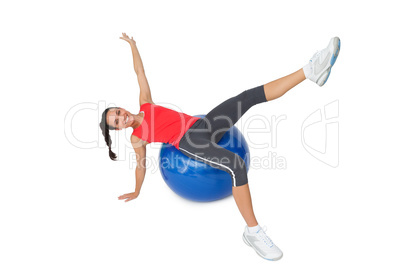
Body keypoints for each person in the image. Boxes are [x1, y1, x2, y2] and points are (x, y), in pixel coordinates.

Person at [99, 33, 341, 261]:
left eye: (118, 112)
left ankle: (310, 71)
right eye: (117, 121)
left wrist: (133, 46)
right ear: (119, 129)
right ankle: (253, 232)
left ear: (121, 107)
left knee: (246, 97)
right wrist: (137, 190)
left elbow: (139, 72)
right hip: (188, 143)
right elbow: (141, 166)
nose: (123, 117)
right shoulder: (137, 138)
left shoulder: (145, 104)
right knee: (236, 165)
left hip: (201, 124)